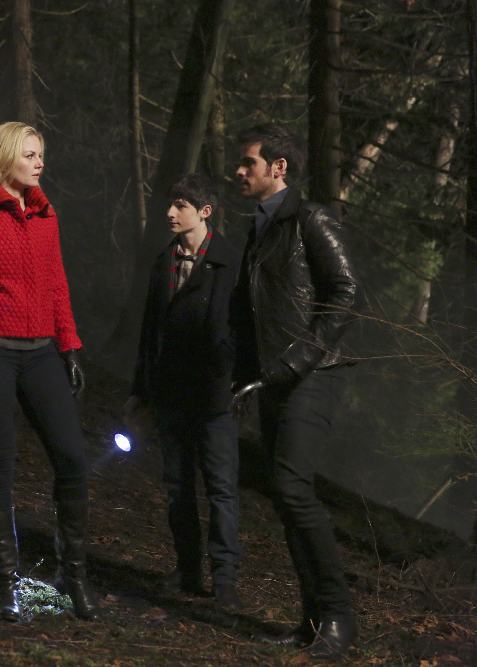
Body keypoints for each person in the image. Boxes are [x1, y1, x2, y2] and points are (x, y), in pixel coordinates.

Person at [0, 121, 99, 621]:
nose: (39, 162)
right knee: (1, 464)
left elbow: (57, 286)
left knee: (72, 459)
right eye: (29, 154)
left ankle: (72, 574)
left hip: (41, 352)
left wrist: (69, 347)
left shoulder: (47, 217)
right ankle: (4, 582)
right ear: (4, 157)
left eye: (40, 154)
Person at [231, 123, 359, 658]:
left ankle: (339, 618)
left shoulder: (311, 219)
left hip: (313, 373)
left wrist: (297, 360)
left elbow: (346, 291)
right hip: (274, 377)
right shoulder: (260, 227)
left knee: (291, 489)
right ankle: (312, 621)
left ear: (278, 168)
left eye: (249, 162)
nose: (239, 170)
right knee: (286, 497)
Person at [125, 173, 242, 608]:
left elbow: (241, 331)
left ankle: (225, 580)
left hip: (215, 398)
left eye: (181, 206)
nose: (171, 213)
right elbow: (150, 330)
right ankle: (189, 568)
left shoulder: (230, 262)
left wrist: (236, 384)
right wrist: (141, 391)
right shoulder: (165, 262)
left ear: (205, 212)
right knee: (177, 485)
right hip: (172, 395)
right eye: (171, 204)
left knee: (221, 488)